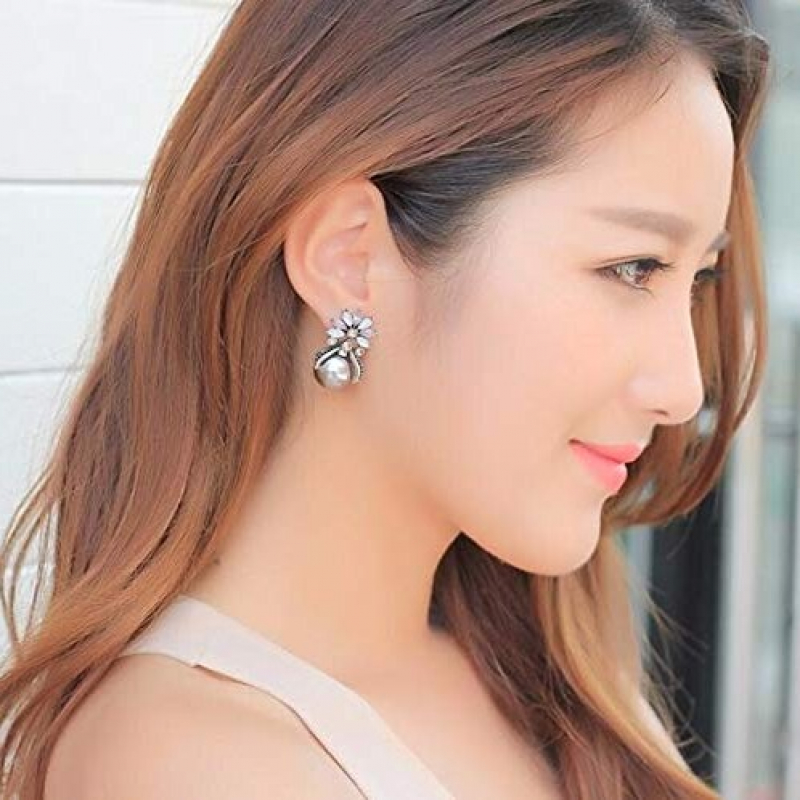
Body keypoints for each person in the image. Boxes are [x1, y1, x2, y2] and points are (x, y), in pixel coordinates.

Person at [0, 1, 772, 798]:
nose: (683, 389)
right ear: (350, 259)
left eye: (698, 279)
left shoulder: (555, 670)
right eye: (634, 268)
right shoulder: (191, 764)